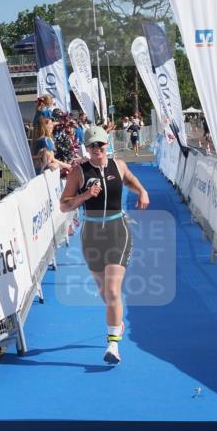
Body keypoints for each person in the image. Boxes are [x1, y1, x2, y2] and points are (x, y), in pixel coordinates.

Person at [59, 126, 150, 365]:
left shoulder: (117, 165)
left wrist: (141, 191)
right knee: (104, 292)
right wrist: (85, 196)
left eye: (101, 145)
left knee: (111, 291)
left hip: (117, 229)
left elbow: (129, 179)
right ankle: (116, 320)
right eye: (92, 146)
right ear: (86, 148)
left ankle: (113, 345)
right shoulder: (78, 172)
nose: (97, 150)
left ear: (106, 145)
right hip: (90, 233)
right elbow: (64, 205)